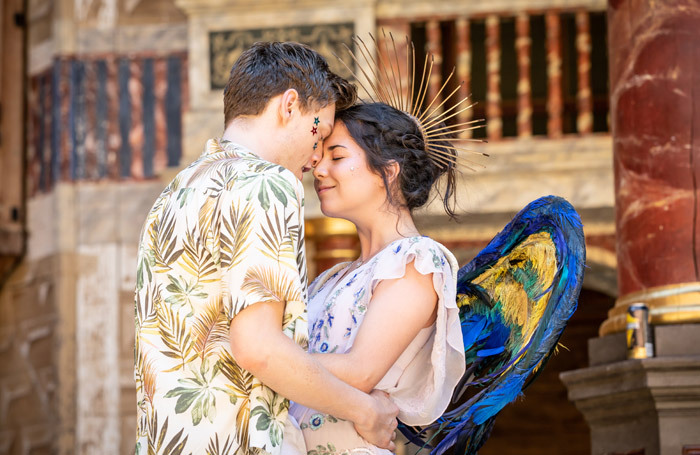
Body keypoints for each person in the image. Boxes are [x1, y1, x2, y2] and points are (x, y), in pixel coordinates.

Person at [133, 42, 399, 455]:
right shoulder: (267, 184)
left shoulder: (173, 195)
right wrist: (365, 411)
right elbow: (259, 349)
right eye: (320, 132)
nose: (316, 157)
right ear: (289, 106)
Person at [291, 102, 467, 455]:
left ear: (389, 171)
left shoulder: (417, 260)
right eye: (320, 158)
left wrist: (259, 357)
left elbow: (360, 372)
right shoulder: (332, 277)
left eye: (336, 157)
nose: (318, 169)